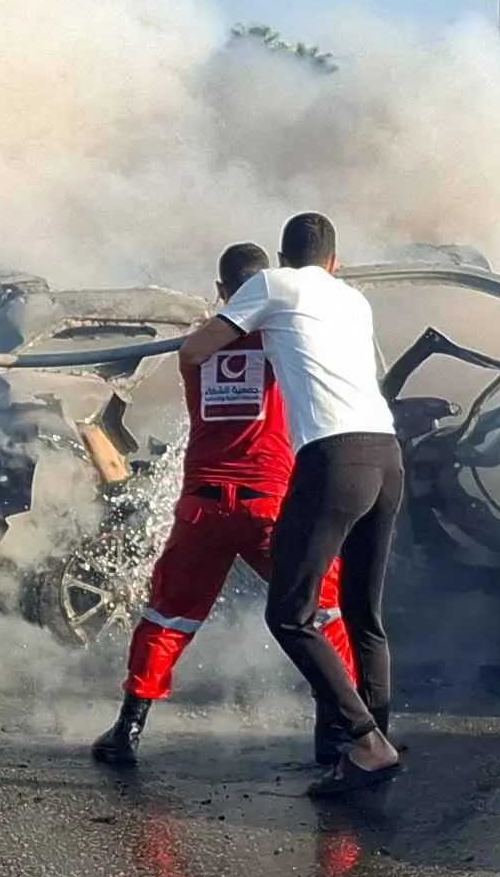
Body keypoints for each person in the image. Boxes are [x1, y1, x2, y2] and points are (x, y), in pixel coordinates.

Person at [94, 243, 366, 770]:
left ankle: (128, 728)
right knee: (323, 611)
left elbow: (211, 340)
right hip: (272, 507)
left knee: (167, 615)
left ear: (221, 291)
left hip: (203, 509)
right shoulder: (285, 337)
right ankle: (336, 735)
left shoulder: (194, 349)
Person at [178, 213, 404, 798]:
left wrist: (230, 327)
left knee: (290, 613)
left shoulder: (272, 286)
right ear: (334, 261)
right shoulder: (354, 300)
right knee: (362, 613)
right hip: (387, 457)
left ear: (282, 257)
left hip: (333, 461)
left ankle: (364, 742)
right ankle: (372, 741)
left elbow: (198, 349)